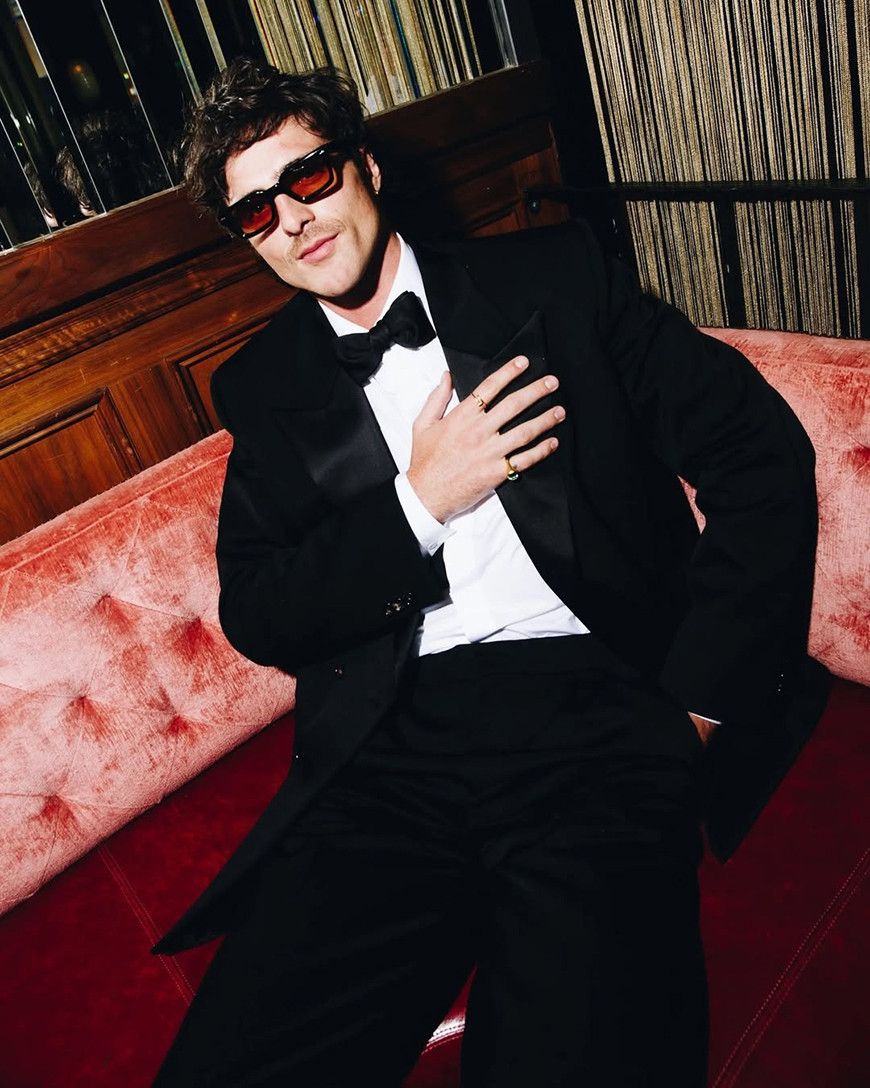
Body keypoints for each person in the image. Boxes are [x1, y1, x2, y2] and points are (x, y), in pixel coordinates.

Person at [152, 57, 828, 1087]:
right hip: (393, 745)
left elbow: (759, 457)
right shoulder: (264, 384)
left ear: (366, 167)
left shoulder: (557, 278)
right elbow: (259, 609)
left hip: (595, 706)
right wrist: (420, 503)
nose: (291, 219)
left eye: (308, 176)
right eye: (255, 212)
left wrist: (698, 703)